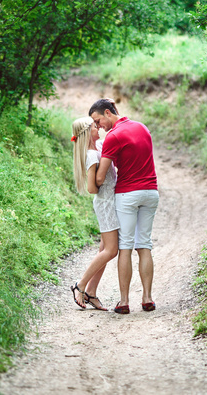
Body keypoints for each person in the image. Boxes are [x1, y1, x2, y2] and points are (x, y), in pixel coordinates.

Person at [88, 99, 159, 314]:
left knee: (126, 246)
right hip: (151, 192)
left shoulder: (113, 136)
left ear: (108, 113)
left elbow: (100, 178)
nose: (99, 126)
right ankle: (147, 298)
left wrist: (95, 180)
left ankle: (124, 301)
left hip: (128, 194)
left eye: (98, 120)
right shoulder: (142, 127)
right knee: (144, 244)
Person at [70, 116, 119, 310]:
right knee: (111, 250)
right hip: (106, 204)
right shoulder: (91, 155)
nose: (98, 127)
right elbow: (92, 188)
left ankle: (91, 292)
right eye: (94, 126)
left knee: (104, 249)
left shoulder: (98, 146)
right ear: (86, 133)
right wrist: (104, 184)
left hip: (111, 201)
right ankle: (79, 285)